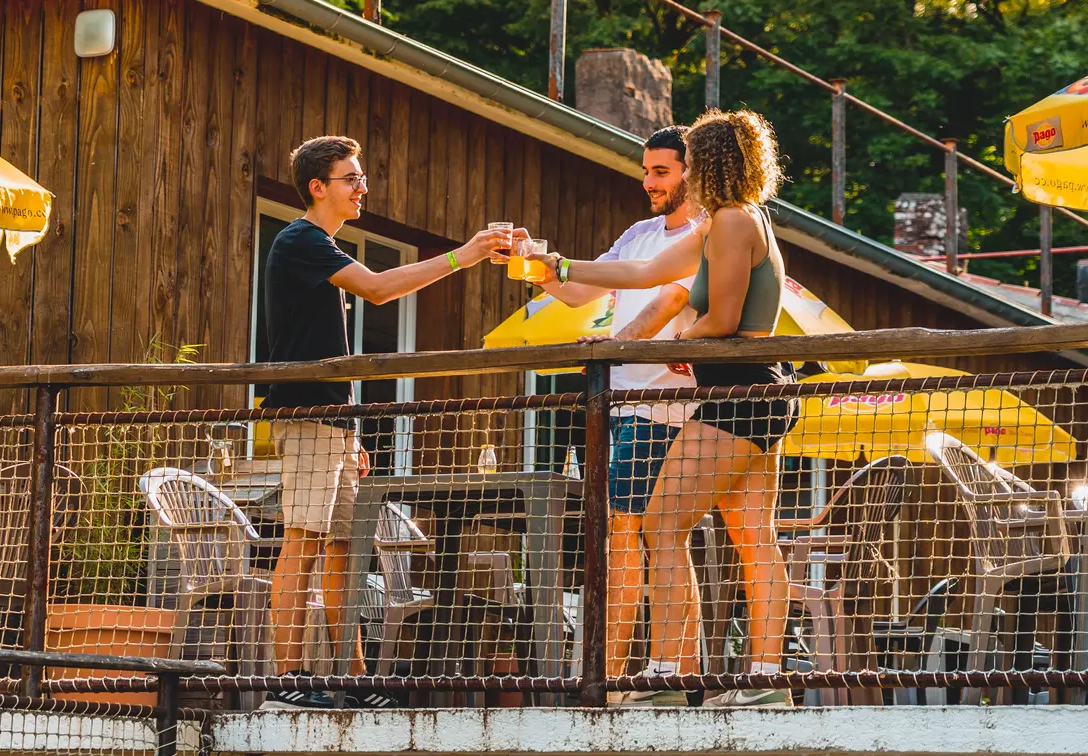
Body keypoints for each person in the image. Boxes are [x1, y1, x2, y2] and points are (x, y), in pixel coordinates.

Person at [536, 109, 794, 707]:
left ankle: (663, 673)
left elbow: (725, 320)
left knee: (660, 525)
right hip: (753, 392)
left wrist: (682, 343)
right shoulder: (728, 223)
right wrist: (560, 268)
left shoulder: (731, 222)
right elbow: (645, 271)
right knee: (755, 541)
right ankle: (764, 680)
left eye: (693, 161)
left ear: (712, 163)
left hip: (739, 395)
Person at [259, 135, 515, 711]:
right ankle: (289, 681)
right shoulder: (302, 240)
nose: (363, 188)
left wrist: (351, 434)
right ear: (318, 187)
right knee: (301, 542)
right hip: (306, 416)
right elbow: (377, 289)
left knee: (346, 548)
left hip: (333, 422)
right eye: (351, 179)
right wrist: (464, 255)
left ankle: (351, 679)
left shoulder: (319, 245)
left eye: (363, 176)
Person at [532, 126, 700, 686]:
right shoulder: (638, 233)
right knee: (622, 536)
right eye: (646, 169)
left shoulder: (705, 234)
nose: (647, 180)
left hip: (662, 405)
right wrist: (538, 263)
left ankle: (621, 675)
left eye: (661, 171)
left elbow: (667, 303)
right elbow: (583, 291)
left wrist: (612, 347)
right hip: (616, 402)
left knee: (636, 534)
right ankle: (624, 672)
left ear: (691, 172)